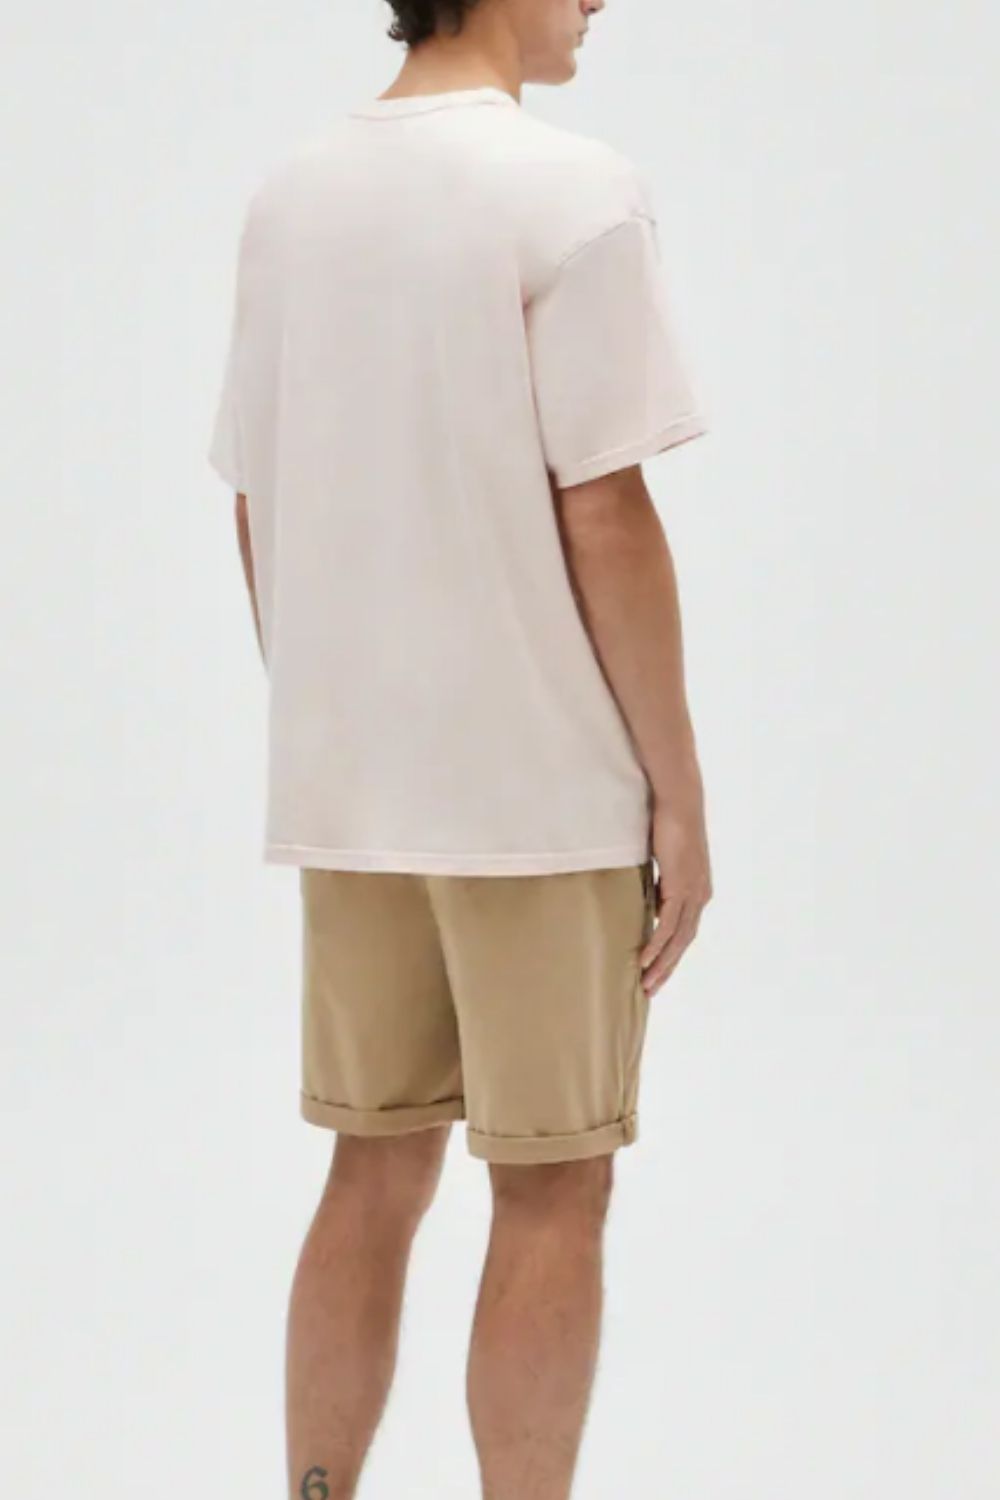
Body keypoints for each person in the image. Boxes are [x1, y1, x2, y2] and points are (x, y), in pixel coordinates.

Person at [208, 1, 713, 1495]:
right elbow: (603, 508)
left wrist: (340, 720)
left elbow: (253, 497)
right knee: (553, 1188)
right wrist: (679, 795)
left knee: (372, 1167)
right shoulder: (573, 191)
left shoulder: (291, 196)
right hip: (538, 798)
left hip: (354, 796)